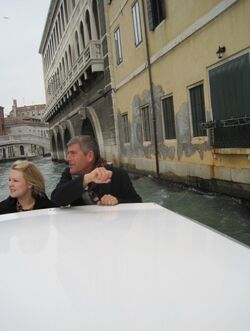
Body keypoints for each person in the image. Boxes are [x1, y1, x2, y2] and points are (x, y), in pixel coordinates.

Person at [51, 135, 142, 206]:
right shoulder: (68, 174)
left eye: (73, 153)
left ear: (90, 156)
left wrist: (117, 201)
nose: (67, 158)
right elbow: (56, 200)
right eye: (68, 153)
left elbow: (137, 203)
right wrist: (87, 179)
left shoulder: (117, 175)